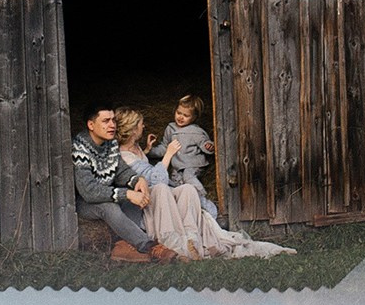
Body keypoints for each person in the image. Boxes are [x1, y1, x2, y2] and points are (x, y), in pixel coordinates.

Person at [114, 108, 295, 260]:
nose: (143, 126)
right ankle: (174, 242)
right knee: (162, 188)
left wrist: (146, 150)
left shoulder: (135, 148)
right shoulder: (124, 157)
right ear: (131, 130)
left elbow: (147, 168)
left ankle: (192, 238)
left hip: (159, 194)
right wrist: (168, 154)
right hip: (144, 206)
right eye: (140, 124)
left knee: (187, 189)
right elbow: (156, 181)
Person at [72, 101, 177, 263]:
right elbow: (89, 191)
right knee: (109, 206)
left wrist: (137, 180)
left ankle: (123, 246)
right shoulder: (80, 149)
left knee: (137, 193)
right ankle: (149, 246)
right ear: (91, 125)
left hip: (107, 193)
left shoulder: (110, 144)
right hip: (86, 203)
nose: (112, 125)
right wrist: (127, 193)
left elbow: (121, 170)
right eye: (106, 121)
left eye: (113, 120)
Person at [159, 94, 217, 221]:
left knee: (188, 177)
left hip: (192, 164)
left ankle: (203, 199)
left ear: (194, 117)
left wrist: (209, 146)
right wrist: (148, 151)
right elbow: (164, 147)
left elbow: (205, 145)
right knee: (176, 183)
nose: (180, 117)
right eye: (179, 112)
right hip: (177, 165)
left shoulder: (196, 131)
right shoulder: (170, 128)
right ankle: (186, 209)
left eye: (186, 115)